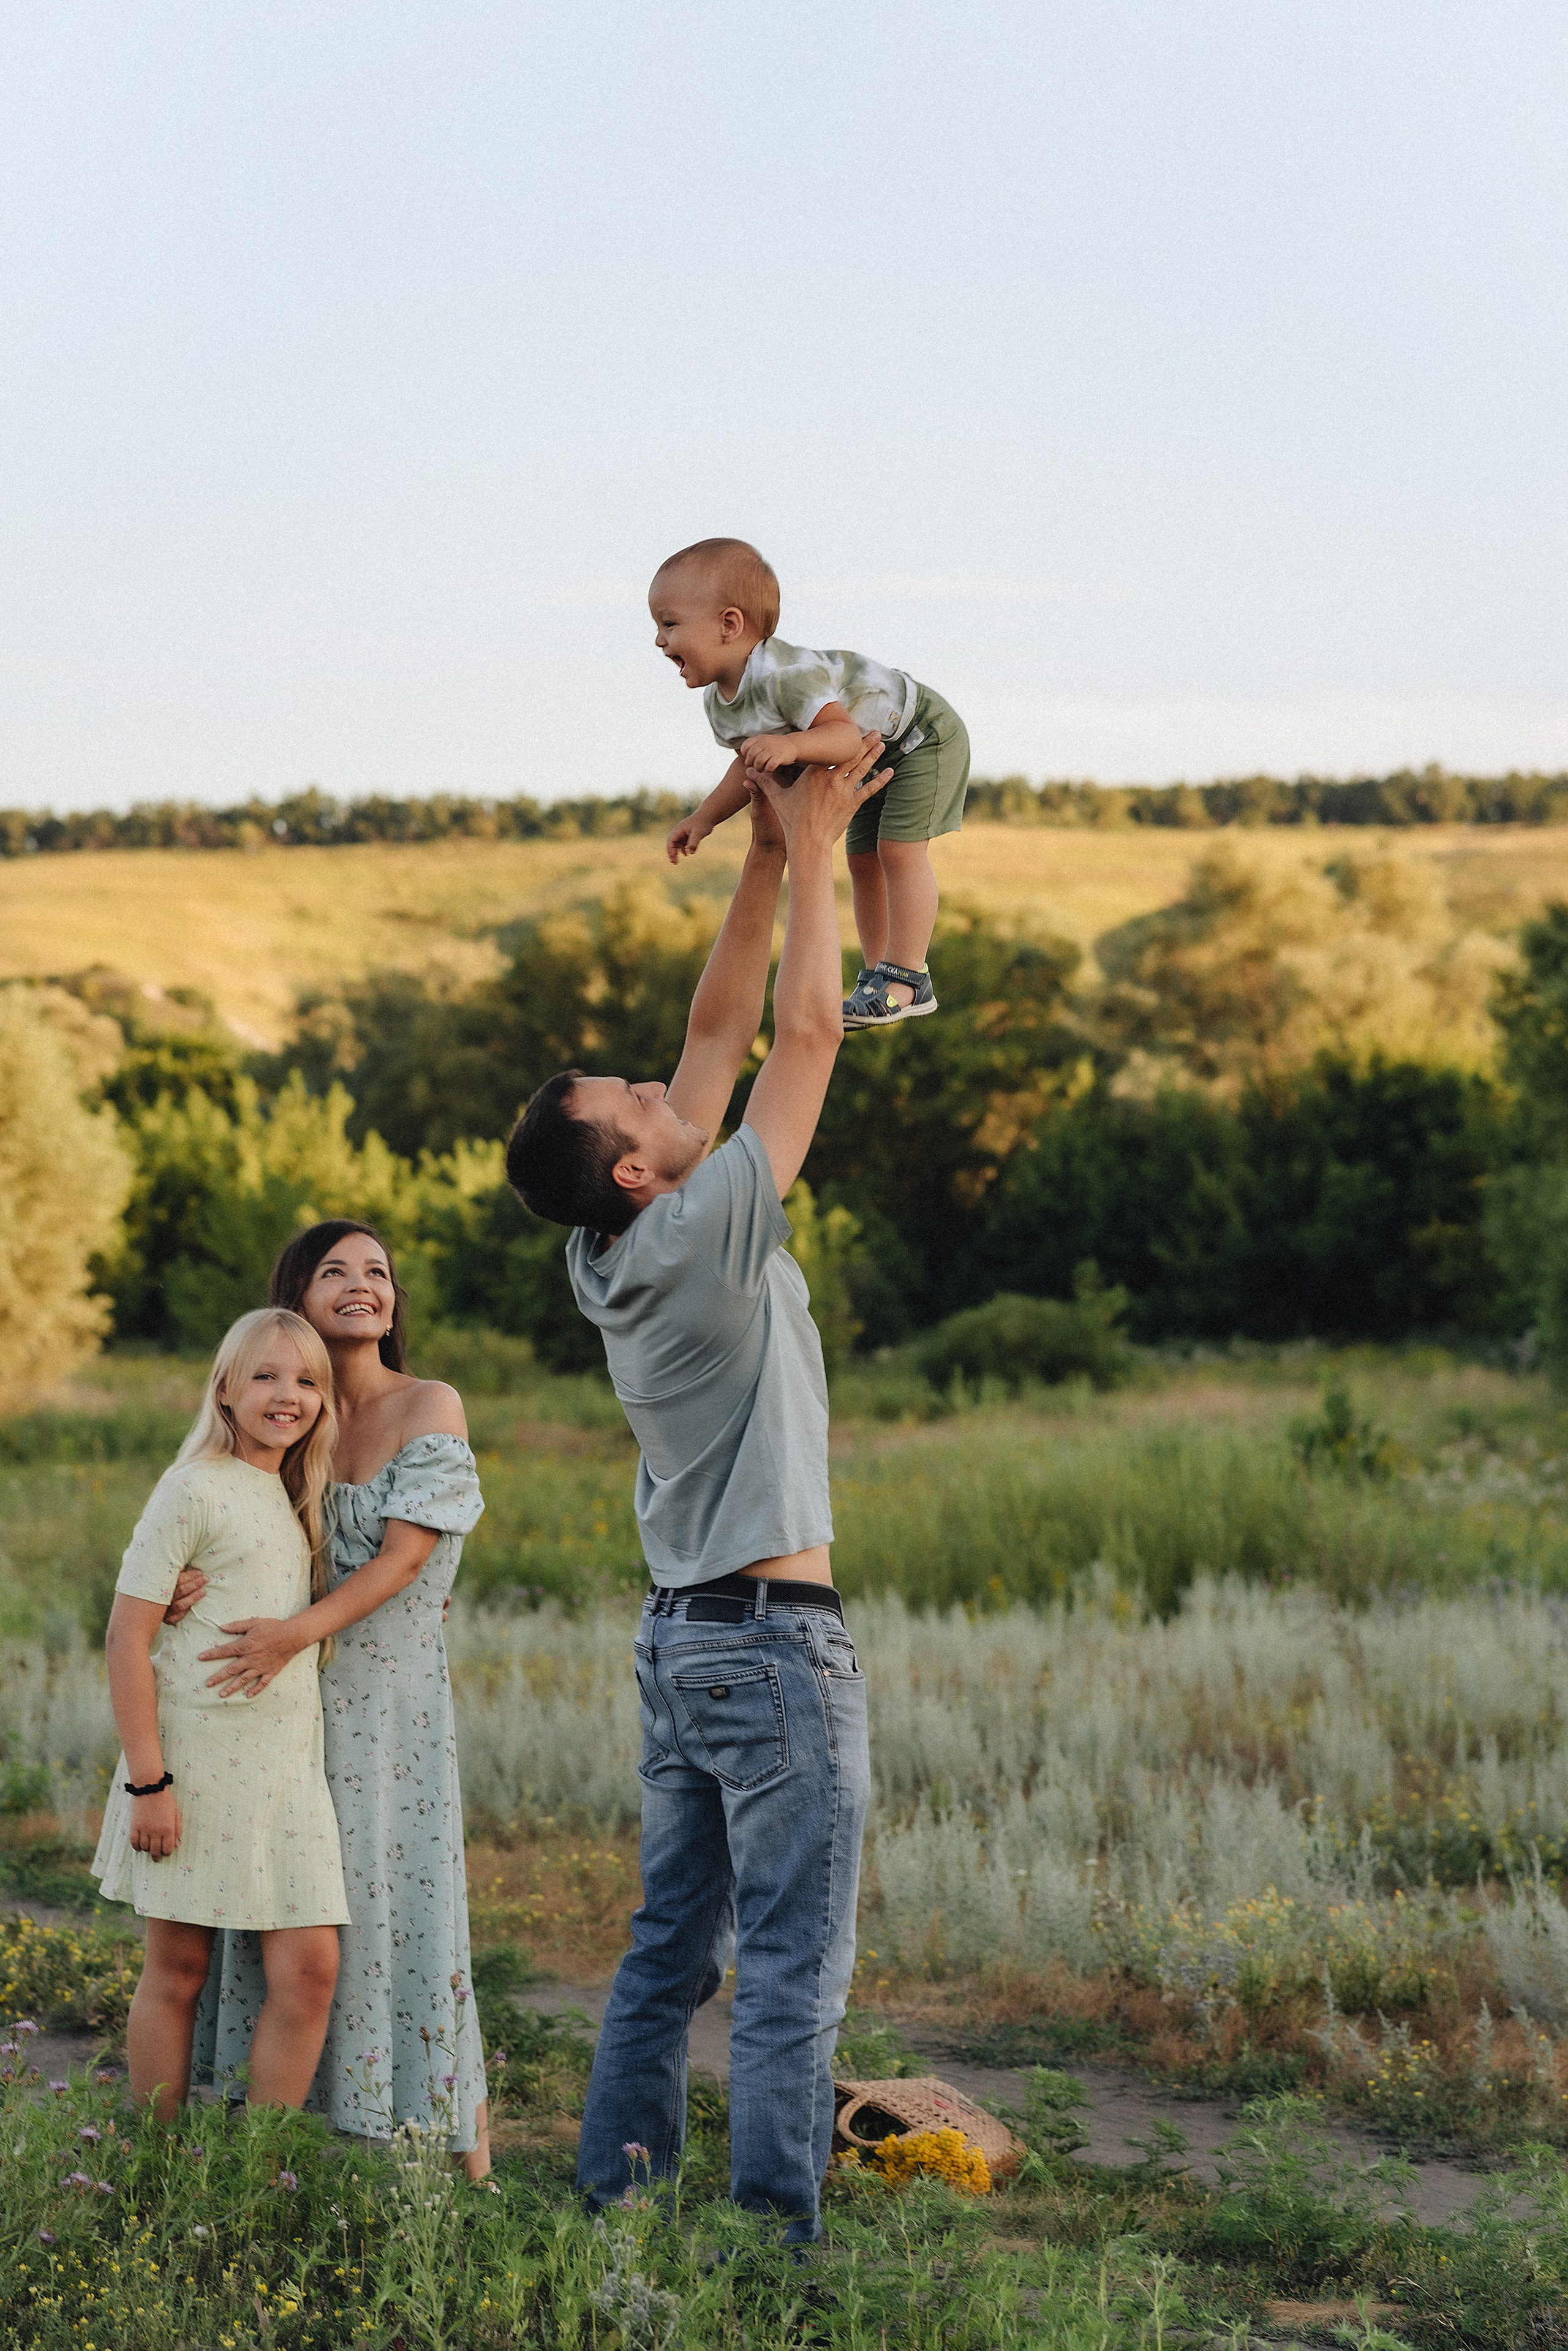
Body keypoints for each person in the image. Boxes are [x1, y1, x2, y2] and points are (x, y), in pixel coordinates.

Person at [506, 734, 889, 2244]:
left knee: (669, 1950)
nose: (670, 1093)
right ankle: (772, 2250)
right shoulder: (701, 1228)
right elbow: (799, 1037)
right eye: (640, 1103)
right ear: (636, 1170)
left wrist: (753, 849)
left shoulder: (615, 1244)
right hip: (772, 1644)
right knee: (794, 1960)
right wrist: (820, 840)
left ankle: (617, 2207)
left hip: (684, 1639)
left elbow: (717, 1024)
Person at [181, 1222, 491, 2175]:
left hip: (389, 1712)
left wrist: (291, 1633)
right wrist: (190, 1584)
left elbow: (405, 1558)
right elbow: (228, 1528)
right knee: (285, 1922)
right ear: (295, 1297)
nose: (363, 1286)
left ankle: (441, 2155)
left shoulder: (429, 1403)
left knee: (395, 1913)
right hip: (284, 1712)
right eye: (336, 1272)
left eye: (379, 1273)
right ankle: (281, 2146)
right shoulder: (292, 1417)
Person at [92, 1307, 348, 2120]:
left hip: (286, 1771)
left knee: (311, 1970)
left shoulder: (294, 1491)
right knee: (178, 1970)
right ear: (226, 1389)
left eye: (307, 1379)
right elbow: (127, 1637)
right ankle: (154, 2175)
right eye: (266, 1376)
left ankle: (252, 2180)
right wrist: (149, 1782)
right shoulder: (193, 1484)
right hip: (193, 1766)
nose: (288, 1394)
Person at [655, 537, 970, 1029]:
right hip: (875, 755)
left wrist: (794, 747)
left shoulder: (786, 676)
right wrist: (705, 818)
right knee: (862, 859)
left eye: (669, 624)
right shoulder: (722, 703)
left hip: (920, 735)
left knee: (899, 852)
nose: (659, 640)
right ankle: (876, 979)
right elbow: (749, 766)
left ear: (729, 624)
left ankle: (908, 978)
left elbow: (842, 737)